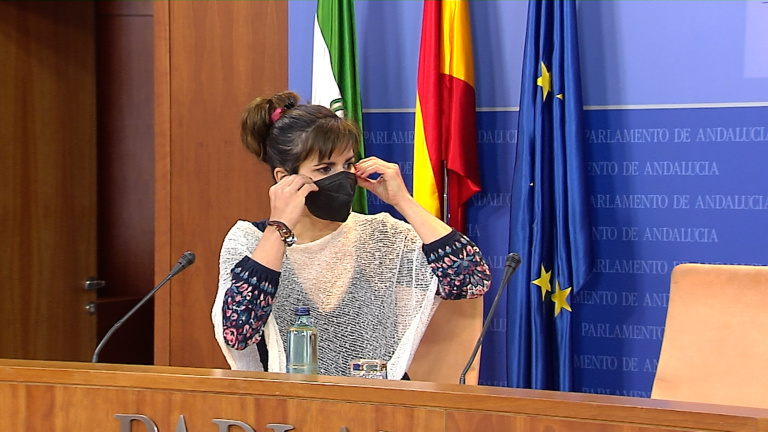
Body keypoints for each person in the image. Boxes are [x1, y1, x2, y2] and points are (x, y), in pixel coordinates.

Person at [211, 91, 492, 379]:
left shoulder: (381, 236)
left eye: (347, 165)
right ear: (285, 179)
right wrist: (279, 227)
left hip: (379, 400)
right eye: (325, 168)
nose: (343, 177)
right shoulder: (250, 240)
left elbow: (471, 280)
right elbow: (238, 332)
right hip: (289, 401)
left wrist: (403, 201)